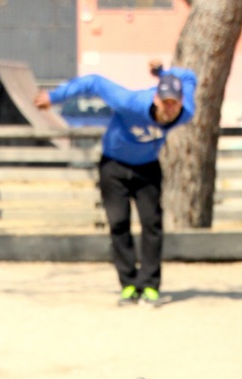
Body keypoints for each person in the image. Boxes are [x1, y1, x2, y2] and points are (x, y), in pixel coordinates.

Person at [34, 60, 197, 305]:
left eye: (175, 103)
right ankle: (129, 286)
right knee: (118, 223)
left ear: (181, 102)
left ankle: (150, 287)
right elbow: (94, 82)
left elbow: (190, 77)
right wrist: (56, 97)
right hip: (114, 166)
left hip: (147, 168)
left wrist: (163, 73)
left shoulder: (187, 112)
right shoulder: (130, 103)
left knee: (152, 225)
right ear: (156, 100)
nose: (170, 109)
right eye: (166, 103)